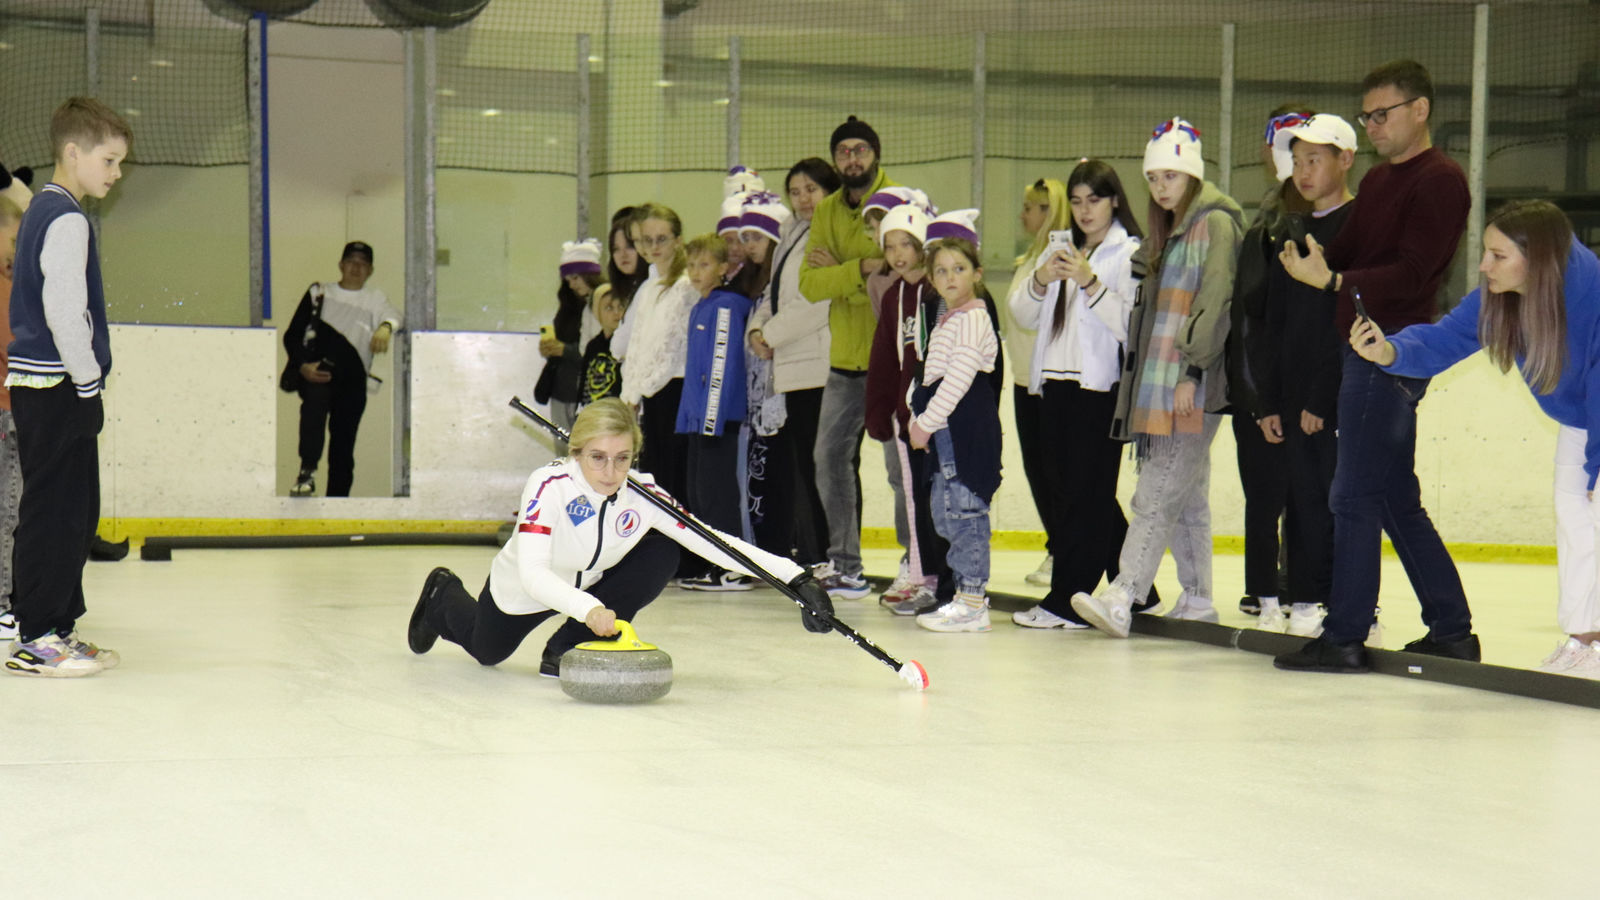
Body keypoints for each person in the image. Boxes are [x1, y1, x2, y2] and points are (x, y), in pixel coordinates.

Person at [1274, 60, 1477, 673]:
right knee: (1391, 498)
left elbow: (1415, 274)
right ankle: (1452, 629)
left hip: (1394, 350)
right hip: (1363, 345)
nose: (1373, 126)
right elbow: (1347, 251)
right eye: (1367, 116)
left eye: (1382, 114)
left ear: (1420, 110)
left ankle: (1344, 635)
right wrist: (1307, 252)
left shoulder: (1440, 181)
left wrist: (1331, 277)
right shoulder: (1385, 183)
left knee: (1353, 495)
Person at [1346, 201, 1600, 675]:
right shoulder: (1498, 296)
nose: (1484, 266)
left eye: (1498, 256)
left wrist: (1597, 460)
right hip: (1581, 416)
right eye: (1486, 252)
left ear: (1538, 258)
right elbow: (1447, 338)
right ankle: (1584, 639)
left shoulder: (1592, 292)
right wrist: (1390, 349)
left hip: (1597, 412)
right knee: (1573, 517)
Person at [407, 398, 836, 676]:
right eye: (597, 458)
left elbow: (712, 541)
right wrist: (589, 608)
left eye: (621, 459)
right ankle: (443, 594)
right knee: (487, 652)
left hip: (588, 589)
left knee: (663, 551)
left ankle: (567, 644)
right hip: (528, 590)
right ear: (575, 452)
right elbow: (534, 572)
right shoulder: (547, 485)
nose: (611, 473)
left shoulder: (642, 493)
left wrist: (795, 579)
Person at [1072, 118, 1244, 637]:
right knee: (1185, 495)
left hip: (1192, 383)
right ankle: (1197, 597)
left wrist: (1192, 370)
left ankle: (1123, 594)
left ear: (1192, 176)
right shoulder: (1168, 234)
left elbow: (1217, 302)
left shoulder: (1214, 225)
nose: (1161, 187)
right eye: (1153, 178)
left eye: (1171, 176)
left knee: (1155, 493)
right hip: (1164, 383)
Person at [4, 97, 130, 677]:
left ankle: (52, 623)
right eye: (108, 160)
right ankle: (37, 636)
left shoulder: (43, 209)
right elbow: (64, 308)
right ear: (72, 153)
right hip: (57, 385)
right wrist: (87, 384)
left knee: (70, 509)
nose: (116, 173)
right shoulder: (68, 218)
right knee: (60, 512)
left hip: (43, 385)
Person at [1010, 160, 1159, 629]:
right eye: (1076, 201)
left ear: (1115, 199)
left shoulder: (1127, 252)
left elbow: (1130, 325)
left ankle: (1067, 599)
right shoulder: (1061, 248)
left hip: (1099, 389)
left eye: (1094, 199)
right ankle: (1139, 587)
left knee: (1083, 496)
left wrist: (1088, 281)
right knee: (1071, 490)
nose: (1084, 210)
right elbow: (1021, 313)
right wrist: (1042, 280)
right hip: (1053, 385)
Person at [1249, 114, 1358, 635]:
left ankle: (1350, 610)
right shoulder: (1290, 231)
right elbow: (1274, 321)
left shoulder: (1359, 229)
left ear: (1346, 160)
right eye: (1297, 161)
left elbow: (1345, 323)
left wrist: (1322, 397)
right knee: (1302, 503)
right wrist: (1268, 400)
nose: (1304, 170)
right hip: (1291, 400)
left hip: (1334, 398)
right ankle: (1308, 604)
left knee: (1340, 501)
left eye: (1315, 159)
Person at [798, 116, 899, 599]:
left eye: (860, 150)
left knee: (902, 469)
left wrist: (842, 274)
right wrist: (860, 268)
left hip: (894, 360)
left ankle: (917, 567)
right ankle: (845, 565)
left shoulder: (897, 203)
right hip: (844, 361)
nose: (852, 159)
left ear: (875, 154)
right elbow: (809, 284)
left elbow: (897, 276)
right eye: (843, 152)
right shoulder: (827, 211)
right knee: (828, 459)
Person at [1228, 107, 1313, 617]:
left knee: (1314, 495)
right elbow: (1247, 318)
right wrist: (1256, 398)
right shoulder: (1261, 227)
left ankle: (1307, 586)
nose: (1295, 165)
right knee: (1265, 496)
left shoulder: (1338, 223)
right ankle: (1264, 585)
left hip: (1306, 386)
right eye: (1284, 151)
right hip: (1261, 387)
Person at [906, 212, 1001, 633]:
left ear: (977, 275)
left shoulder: (973, 319)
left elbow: (959, 379)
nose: (950, 278)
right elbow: (931, 373)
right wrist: (916, 404)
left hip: (963, 432)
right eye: (941, 271)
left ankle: (973, 600)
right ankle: (965, 594)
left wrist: (925, 421)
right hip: (946, 431)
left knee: (965, 513)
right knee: (946, 514)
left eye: (959, 269)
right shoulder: (947, 320)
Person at [746, 158, 838, 568]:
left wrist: (772, 334)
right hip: (791, 368)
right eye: (795, 191)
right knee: (803, 465)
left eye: (811, 190)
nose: (803, 199)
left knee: (823, 466)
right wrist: (756, 329)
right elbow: (773, 293)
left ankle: (832, 555)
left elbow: (819, 301)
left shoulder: (834, 234)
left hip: (819, 366)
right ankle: (814, 553)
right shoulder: (791, 233)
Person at [863, 201, 951, 616]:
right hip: (906, 421)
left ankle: (943, 579)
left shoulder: (937, 292)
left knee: (939, 500)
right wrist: (879, 408)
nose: (898, 254)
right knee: (914, 500)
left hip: (936, 420)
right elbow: (884, 356)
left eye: (907, 244)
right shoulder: (895, 294)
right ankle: (922, 574)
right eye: (890, 246)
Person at [285, 241, 401, 498]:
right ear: (341, 265)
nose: (356, 267)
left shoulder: (374, 299)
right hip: (319, 374)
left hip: (353, 380)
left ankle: (338, 503)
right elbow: (292, 335)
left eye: (362, 263)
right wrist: (303, 366)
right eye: (351, 261)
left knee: (343, 447)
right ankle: (307, 474)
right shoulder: (319, 292)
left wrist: (385, 328)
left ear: (370, 270)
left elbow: (394, 315)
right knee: (313, 415)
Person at [675, 234, 756, 591]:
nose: (695, 271)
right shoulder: (701, 306)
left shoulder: (726, 306)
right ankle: (715, 564)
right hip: (698, 418)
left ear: (723, 268)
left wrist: (709, 419)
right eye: (691, 264)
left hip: (717, 420)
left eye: (704, 264)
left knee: (718, 493)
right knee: (699, 492)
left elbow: (722, 367)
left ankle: (735, 567)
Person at [616, 204, 698, 523]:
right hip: (652, 394)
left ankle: (686, 552)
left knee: (674, 474)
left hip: (674, 388)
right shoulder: (649, 287)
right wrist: (630, 393)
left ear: (678, 239)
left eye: (661, 238)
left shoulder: (686, 284)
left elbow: (670, 346)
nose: (653, 247)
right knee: (657, 474)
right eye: (645, 240)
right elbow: (637, 345)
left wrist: (643, 389)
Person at [1003, 178, 1065, 588]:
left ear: (1048, 211)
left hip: (1048, 386)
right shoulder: (1029, 259)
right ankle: (1057, 545)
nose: (1023, 214)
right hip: (1024, 382)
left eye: (1031, 207)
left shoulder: (1057, 259)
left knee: (1055, 473)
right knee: (1038, 472)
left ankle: (1065, 550)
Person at [535, 238, 605, 444]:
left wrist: (563, 350)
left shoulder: (601, 303)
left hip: (586, 391)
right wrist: (551, 348)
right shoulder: (568, 304)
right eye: (568, 280)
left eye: (576, 278)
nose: (572, 284)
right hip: (561, 389)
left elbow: (595, 350)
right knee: (564, 451)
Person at [0, 191, 25, 642]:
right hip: (6, 414)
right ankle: (2, 602)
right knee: (8, 511)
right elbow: (14, 345)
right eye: (14, 239)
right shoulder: (4, 288)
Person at [580, 284, 625, 405]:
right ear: (598, 312)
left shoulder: (626, 345)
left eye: (620, 307)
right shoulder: (593, 346)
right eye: (609, 308)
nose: (616, 313)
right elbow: (584, 384)